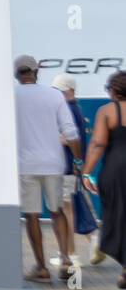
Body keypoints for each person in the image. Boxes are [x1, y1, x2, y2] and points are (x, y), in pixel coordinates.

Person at [14, 55, 80, 284]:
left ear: (16, 74)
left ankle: (41, 268)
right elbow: (71, 132)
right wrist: (79, 161)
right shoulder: (54, 95)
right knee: (57, 211)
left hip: (25, 165)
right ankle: (65, 260)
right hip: (54, 163)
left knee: (32, 215)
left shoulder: (11, 96)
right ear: (36, 72)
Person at [81, 70, 126, 289]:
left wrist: (86, 172)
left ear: (114, 90)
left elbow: (98, 143)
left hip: (116, 169)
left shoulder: (107, 111)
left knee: (116, 215)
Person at [51, 74, 92, 266]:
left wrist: (53, 138)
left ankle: (70, 254)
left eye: (59, 90)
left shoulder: (68, 109)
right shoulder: (75, 108)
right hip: (70, 165)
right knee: (68, 208)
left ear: (69, 90)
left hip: (66, 165)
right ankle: (68, 253)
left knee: (65, 209)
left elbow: (70, 138)